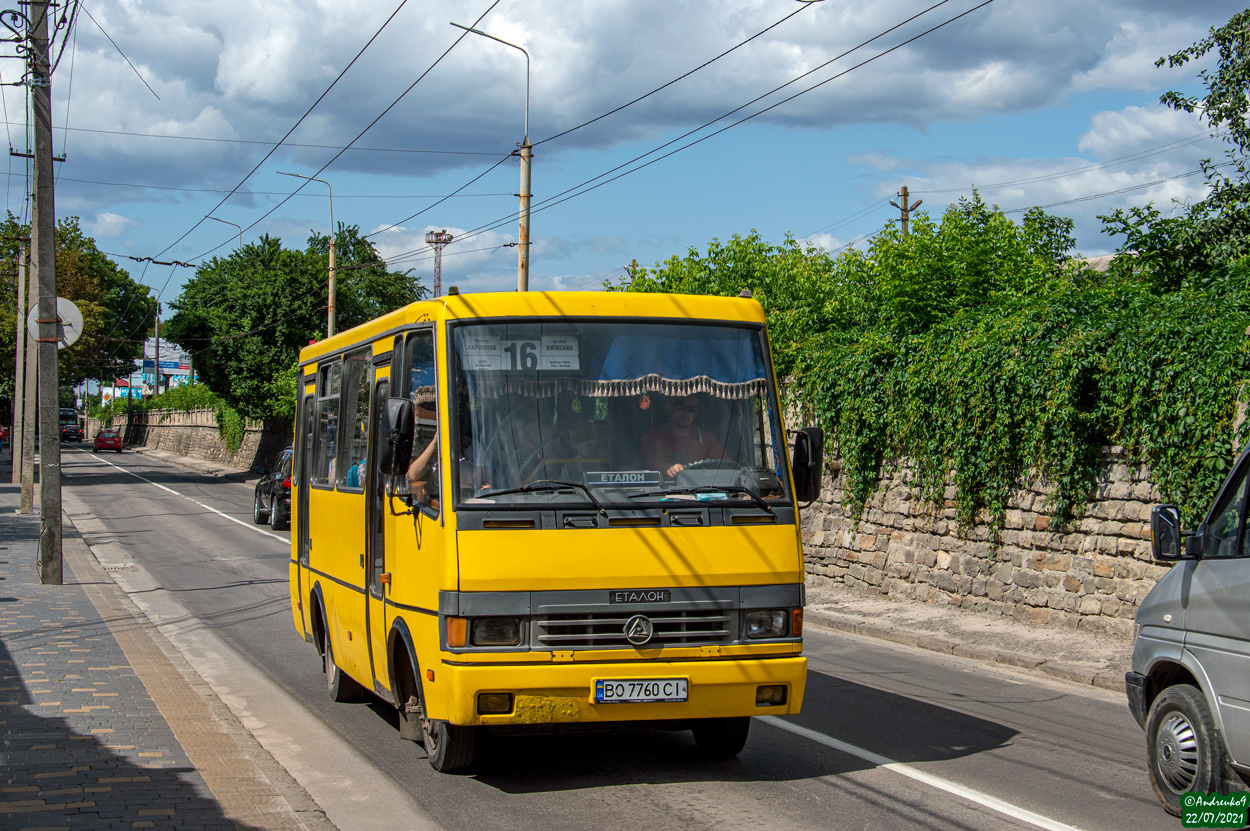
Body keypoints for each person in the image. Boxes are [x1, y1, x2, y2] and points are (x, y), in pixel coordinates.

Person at [641, 394, 727, 480]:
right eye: (681, 406)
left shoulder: (707, 439)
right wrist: (668, 467)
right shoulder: (655, 435)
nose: (686, 413)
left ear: (696, 413)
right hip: (664, 490)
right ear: (670, 407)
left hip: (700, 490)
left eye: (691, 409)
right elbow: (652, 459)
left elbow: (727, 465)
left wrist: (707, 474)